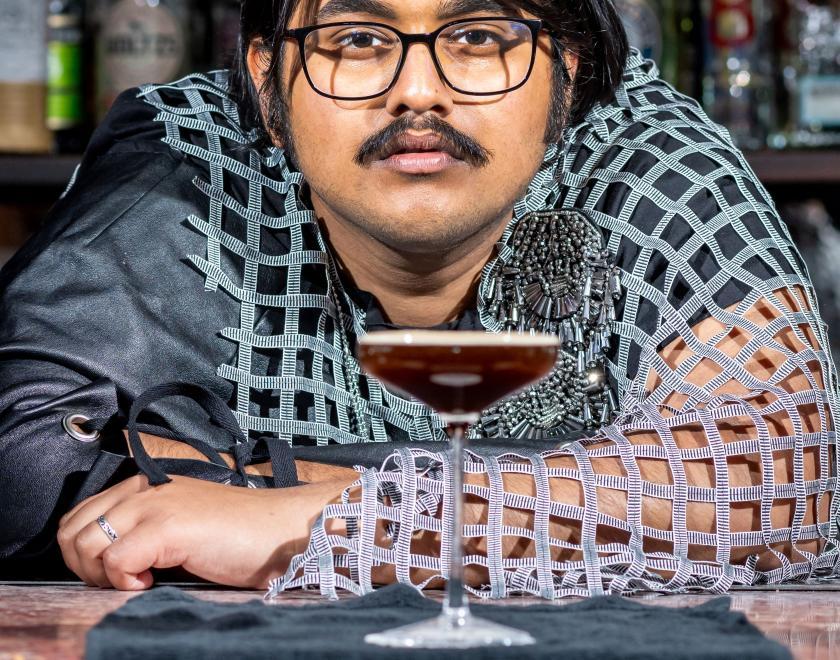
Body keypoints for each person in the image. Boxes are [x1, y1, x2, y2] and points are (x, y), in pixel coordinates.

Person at [0, 0, 837, 595]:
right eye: (358, 38)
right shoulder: (192, 158)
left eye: (476, 34)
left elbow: (780, 477)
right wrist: (596, 493)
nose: (418, 92)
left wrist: (326, 512)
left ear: (567, 72)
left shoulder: (647, 151)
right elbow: (28, 466)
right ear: (266, 80)